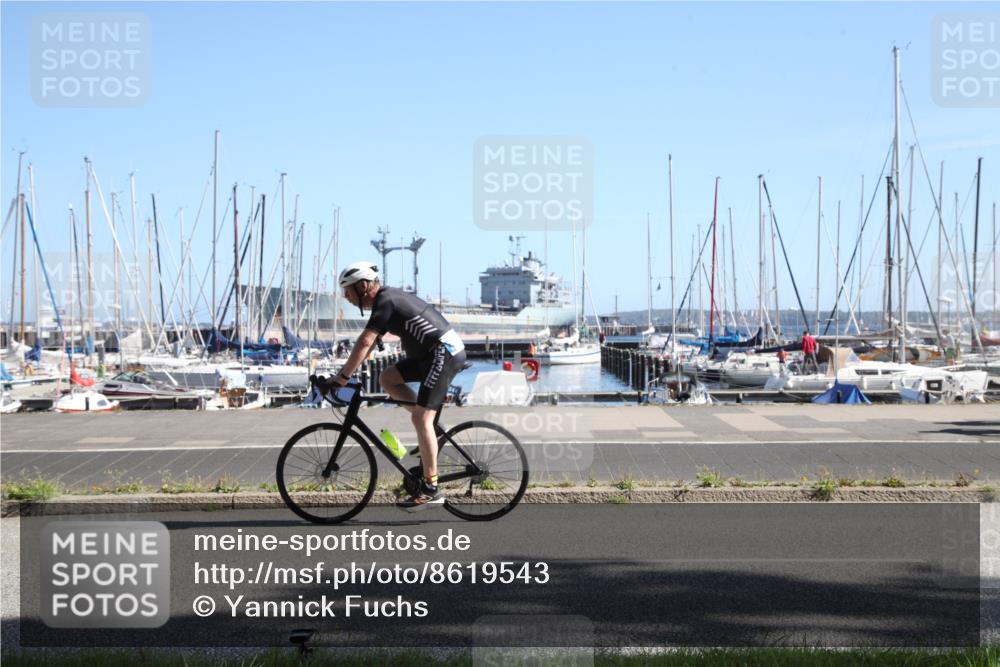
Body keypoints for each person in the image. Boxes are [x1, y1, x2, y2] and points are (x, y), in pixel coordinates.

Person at [332, 261, 467, 511]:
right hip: (429, 355)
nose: (346, 297)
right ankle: (432, 427)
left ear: (362, 287)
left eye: (347, 291)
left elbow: (365, 342)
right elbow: (370, 345)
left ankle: (431, 489)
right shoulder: (385, 302)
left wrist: (341, 378)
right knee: (387, 378)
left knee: (421, 420)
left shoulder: (386, 300)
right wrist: (346, 372)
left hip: (443, 353)